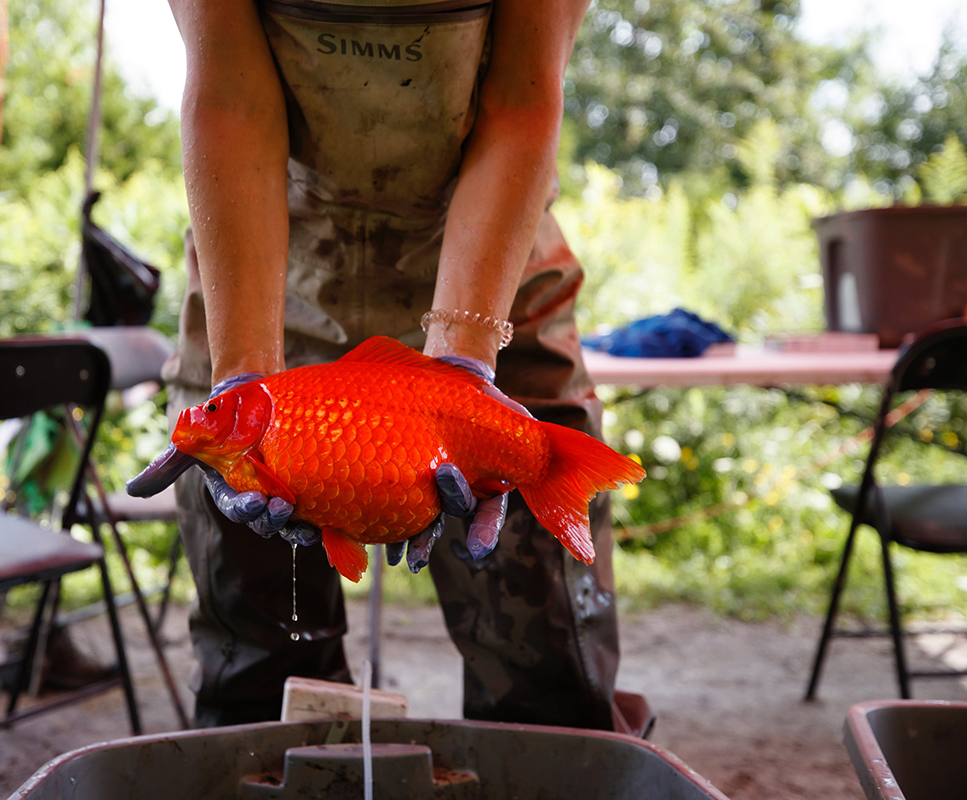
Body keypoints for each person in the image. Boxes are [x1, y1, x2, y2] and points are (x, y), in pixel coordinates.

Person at [135, 0, 645, 733]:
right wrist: (243, 376)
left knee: (546, 678)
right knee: (258, 671)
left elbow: (519, 104)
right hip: (268, 281)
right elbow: (231, 102)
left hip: (493, 282)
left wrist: (458, 370)